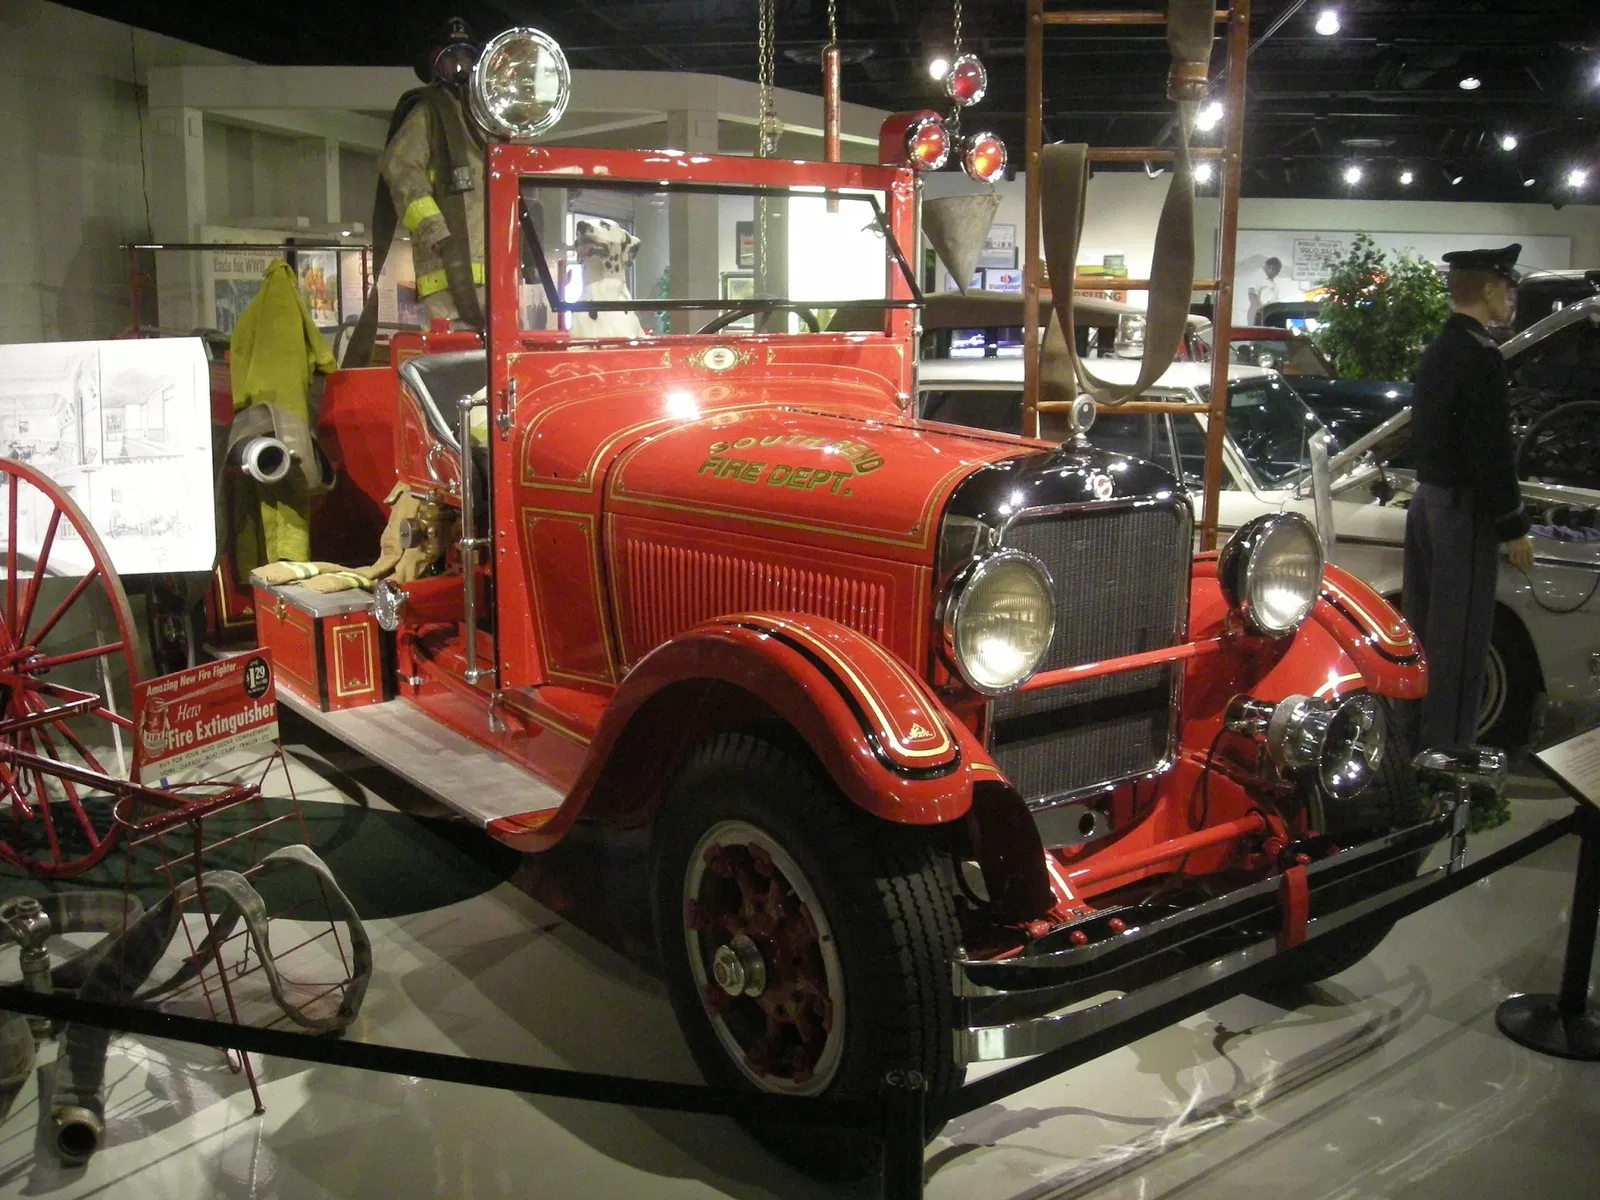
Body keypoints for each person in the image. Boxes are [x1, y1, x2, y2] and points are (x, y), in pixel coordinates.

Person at [1403, 243, 1536, 750]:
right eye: (1507, 288)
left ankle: (1414, 741)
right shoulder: (1482, 356)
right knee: (1459, 641)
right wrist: (1513, 524)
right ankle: (1449, 753)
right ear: (1489, 288)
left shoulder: (1437, 349)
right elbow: (1491, 451)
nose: (1511, 299)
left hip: (1428, 503)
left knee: (1422, 631)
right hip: (1463, 511)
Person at [1246, 256, 1281, 323]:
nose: (1278, 274)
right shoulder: (1258, 276)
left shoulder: (1270, 280)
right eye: (1277, 271)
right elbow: (1252, 295)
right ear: (1271, 268)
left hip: (1268, 314)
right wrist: (1260, 312)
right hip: (1258, 314)